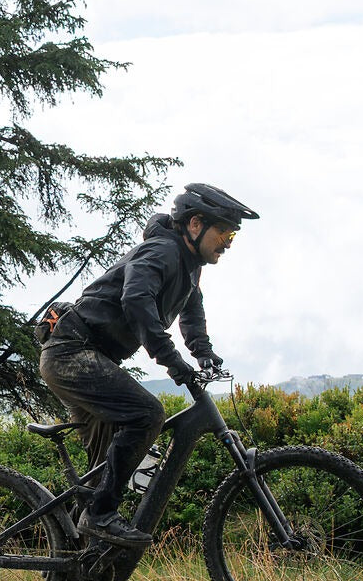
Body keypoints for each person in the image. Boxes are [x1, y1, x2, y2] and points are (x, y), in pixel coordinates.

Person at [39, 182, 258, 552]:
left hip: (91, 358)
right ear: (195, 224)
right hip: (71, 353)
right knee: (147, 414)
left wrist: (201, 351)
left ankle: (83, 569)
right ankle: (100, 515)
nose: (228, 243)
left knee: (104, 474)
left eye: (233, 235)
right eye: (225, 232)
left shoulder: (188, 266)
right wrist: (173, 361)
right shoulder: (162, 252)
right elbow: (136, 300)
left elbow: (191, 309)